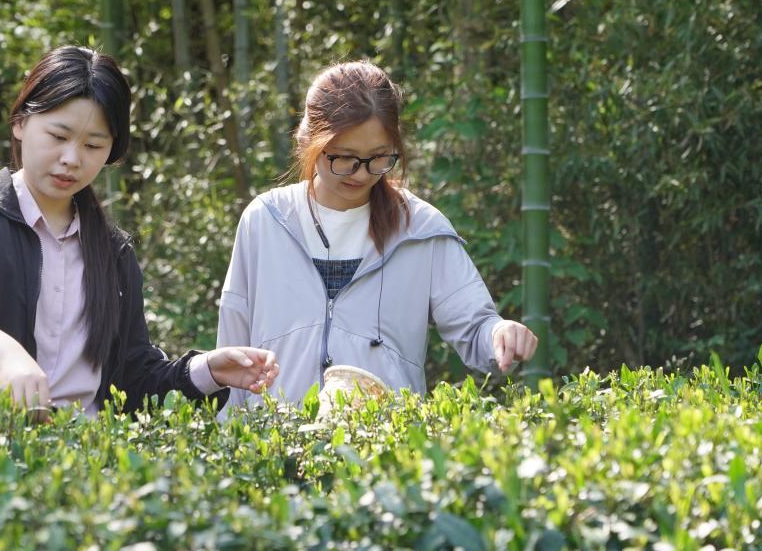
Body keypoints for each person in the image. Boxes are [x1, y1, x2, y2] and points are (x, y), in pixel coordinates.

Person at [0, 46, 279, 419]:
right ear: (20, 123)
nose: (72, 159)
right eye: (58, 136)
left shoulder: (113, 252)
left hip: (84, 454)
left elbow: (133, 380)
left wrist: (207, 371)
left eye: (93, 145)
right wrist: (8, 355)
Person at [216, 60, 538, 410]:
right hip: (275, 438)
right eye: (345, 158)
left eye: (378, 158)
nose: (361, 174)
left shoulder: (420, 229)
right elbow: (231, 357)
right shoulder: (266, 221)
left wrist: (500, 334)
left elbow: (476, 328)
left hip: (383, 441)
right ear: (307, 141)